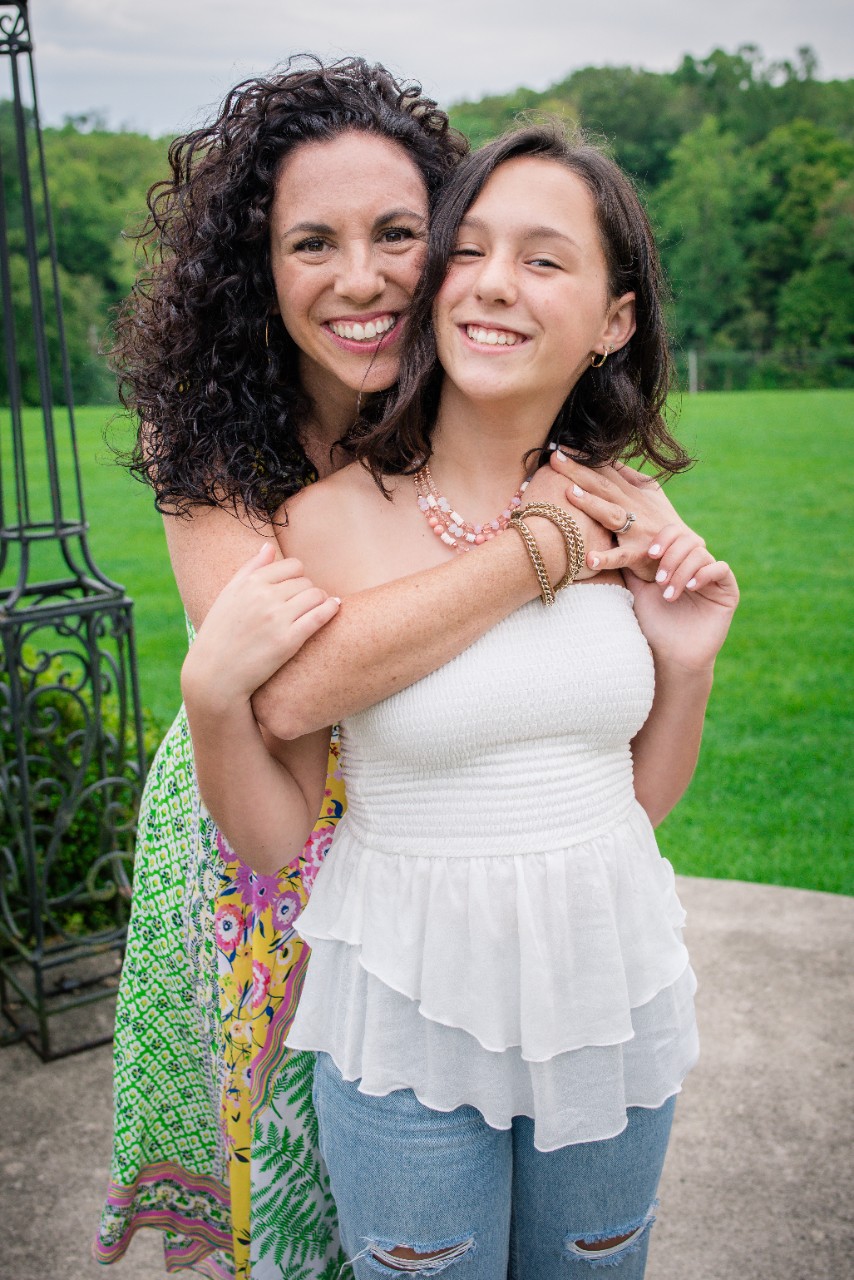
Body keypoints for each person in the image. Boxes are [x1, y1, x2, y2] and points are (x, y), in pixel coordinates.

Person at [96, 60, 671, 1280]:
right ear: (258, 269)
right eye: (312, 242)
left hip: (452, 809)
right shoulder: (212, 435)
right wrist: (538, 549)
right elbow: (292, 691)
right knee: (316, 1181)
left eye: (399, 234)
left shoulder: (477, 387)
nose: (359, 278)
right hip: (272, 818)